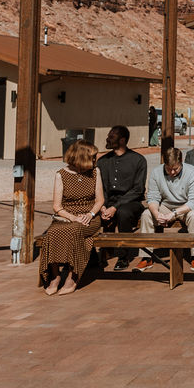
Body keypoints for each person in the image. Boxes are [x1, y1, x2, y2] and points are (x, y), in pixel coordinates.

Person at [39, 140, 104, 295]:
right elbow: (57, 206)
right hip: (66, 216)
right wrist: (73, 217)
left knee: (74, 232)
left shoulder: (95, 172)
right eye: (93, 157)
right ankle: (55, 276)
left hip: (90, 216)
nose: (95, 160)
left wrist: (90, 214)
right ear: (81, 157)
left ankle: (72, 276)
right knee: (52, 233)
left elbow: (100, 200)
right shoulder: (61, 175)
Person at [133, 147, 194, 273]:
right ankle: (146, 256)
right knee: (146, 215)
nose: (172, 172)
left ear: (181, 163)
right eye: (168, 168)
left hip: (186, 205)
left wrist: (174, 214)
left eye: (176, 169)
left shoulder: (191, 171)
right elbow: (153, 197)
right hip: (166, 205)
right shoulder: (156, 172)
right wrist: (157, 214)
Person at [96, 125, 147, 271]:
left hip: (131, 202)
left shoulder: (138, 160)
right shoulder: (102, 161)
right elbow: (102, 188)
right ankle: (99, 252)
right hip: (107, 201)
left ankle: (124, 256)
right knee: (93, 214)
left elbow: (138, 189)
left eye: (112, 137)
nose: (108, 139)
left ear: (123, 140)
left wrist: (115, 207)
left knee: (122, 213)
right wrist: (103, 206)